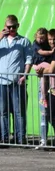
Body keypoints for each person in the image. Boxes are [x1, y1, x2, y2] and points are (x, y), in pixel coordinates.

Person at [0, 15, 33, 145]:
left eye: (14, 27)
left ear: (18, 26)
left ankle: (20, 138)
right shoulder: (1, 41)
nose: (11, 29)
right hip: (1, 81)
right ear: (5, 26)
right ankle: (4, 138)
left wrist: (25, 75)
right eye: (9, 27)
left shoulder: (24, 41)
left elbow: (29, 59)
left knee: (19, 112)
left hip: (17, 81)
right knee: (3, 112)